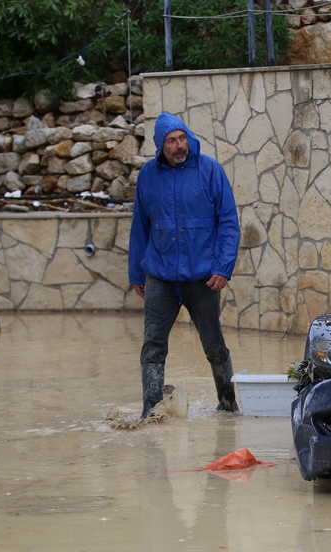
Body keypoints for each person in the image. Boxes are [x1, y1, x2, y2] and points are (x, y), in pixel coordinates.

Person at [129, 113, 241, 417]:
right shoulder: (148, 175)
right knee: (152, 345)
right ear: (160, 145)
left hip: (202, 276)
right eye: (171, 141)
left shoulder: (210, 170)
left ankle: (228, 405)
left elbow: (228, 222)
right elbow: (140, 225)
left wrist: (223, 267)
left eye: (182, 138)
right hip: (160, 275)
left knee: (213, 344)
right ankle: (150, 411)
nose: (179, 146)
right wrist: (136, 273)